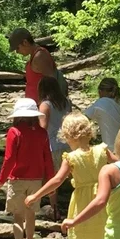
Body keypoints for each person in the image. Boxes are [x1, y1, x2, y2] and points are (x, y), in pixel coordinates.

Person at [25, 112, 114, 239]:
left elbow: (57, 180)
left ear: (66, 136)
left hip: (83, 203)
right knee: (107, 235)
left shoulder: (71, 157)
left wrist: (36, 195)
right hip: (104, 198)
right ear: (90, 131)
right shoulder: (102, 150)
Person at [0, 98, 54, 239]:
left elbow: (9, 159)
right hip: (36, 180)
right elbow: (47, 159)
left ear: (17, 116)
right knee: (31, 214)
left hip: (17, 180)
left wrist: (0, 181)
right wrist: (51, 181)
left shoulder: (14, 132)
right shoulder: (42, 133)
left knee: (18, 215)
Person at [37, 75, 73, 218]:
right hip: (69, 143)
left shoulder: (45, 105)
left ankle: (54, 209)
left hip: (52, 146)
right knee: (71, 176)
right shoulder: (67, 102)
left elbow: (43, 127)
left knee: (52, 178)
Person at [8, 27, 60, 103]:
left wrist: (46, 109)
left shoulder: (40, 56)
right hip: (35, 107)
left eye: (17, 48)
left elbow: (52, 83)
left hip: (41, 108)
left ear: (25, 42)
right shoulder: (35, 55)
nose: (17, 52)